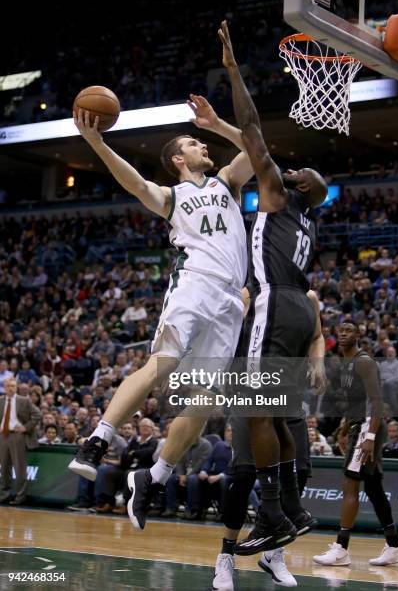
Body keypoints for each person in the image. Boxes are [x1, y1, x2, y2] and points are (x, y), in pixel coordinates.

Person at [68, 94, 254, 531]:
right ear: (176, 158)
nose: (202, 146)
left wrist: (216, 124)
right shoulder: (172, 196)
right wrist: (95, 142)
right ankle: (97, 441)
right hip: (194, 285)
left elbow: (255, 148)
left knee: (205, 402)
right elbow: (133, 183)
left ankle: (153, 478)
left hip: (230, 301)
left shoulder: (227, 182)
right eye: (193, 142)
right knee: (161, 366)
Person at [217, 20, 327, 556]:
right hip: (299, 310)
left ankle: (272, 516)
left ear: (298, 185)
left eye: (297, 169)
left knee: (256, 410)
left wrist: (234, 69)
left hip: (275, 303)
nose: (288, 168)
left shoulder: (280, 196)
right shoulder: (309, 219)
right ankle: (291, 507)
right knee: (278, 412)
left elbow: (253, 125)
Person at [212, 289, 325, 590]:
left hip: (289, 394)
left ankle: (273, 552)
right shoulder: (250, 294)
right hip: (251, 392)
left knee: (298, 471)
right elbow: (228, 342)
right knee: (245, 475)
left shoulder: (308, 297)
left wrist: (318, 362)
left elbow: (316, 336)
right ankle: (225, 556)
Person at [313, 321, 398, 567]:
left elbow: (377, 401)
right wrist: (346, 424)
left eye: (349, 329)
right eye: (340, 330)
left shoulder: (364, 361)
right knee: (374, 488)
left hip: (369, 425)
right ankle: (395, 545)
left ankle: (341, 549)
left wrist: (370, 437)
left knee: (350, 485)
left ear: (359, 333)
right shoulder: (345, 364)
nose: (343, 333)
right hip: (359, 423)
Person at [0, 377, 41, 505]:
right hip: (3, 435)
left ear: (16, 387)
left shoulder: (24, 400)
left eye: (13, 385)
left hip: (18, 436)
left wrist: (25, 427)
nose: (10, 388)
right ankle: (4, 494)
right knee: (4, 468)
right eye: (8, 386)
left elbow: (37, 415)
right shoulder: (0, 401)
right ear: (4, 387)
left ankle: (20, 496)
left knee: (19, 468)